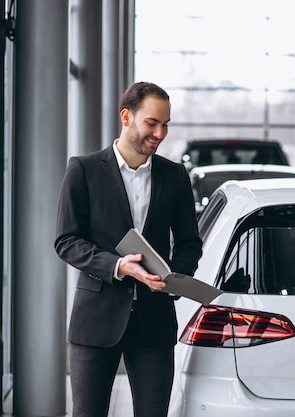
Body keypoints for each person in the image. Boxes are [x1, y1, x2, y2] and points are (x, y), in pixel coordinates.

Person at [55, 81, 202, 417]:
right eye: (152, 123)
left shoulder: (175, 176)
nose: (160, 133)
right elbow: (67, 240)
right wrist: (118, 266)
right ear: (126, 117)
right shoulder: (84, 169)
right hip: (96, 319)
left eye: (166, 124)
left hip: (154, 321)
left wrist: (175, 276)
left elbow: (189, 242)